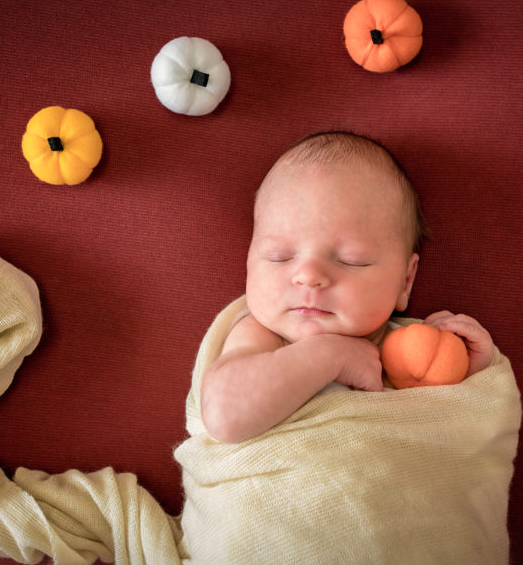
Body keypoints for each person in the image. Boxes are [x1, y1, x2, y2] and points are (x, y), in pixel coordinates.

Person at [201, 131, 495, 443]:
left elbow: (450, 438)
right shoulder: (261, 337)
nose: (308, 275)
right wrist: (330, 357)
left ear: (405, 281)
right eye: (280, 257)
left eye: (351, 260)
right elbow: (224, 416)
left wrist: (470, 374)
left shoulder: (410, 349)